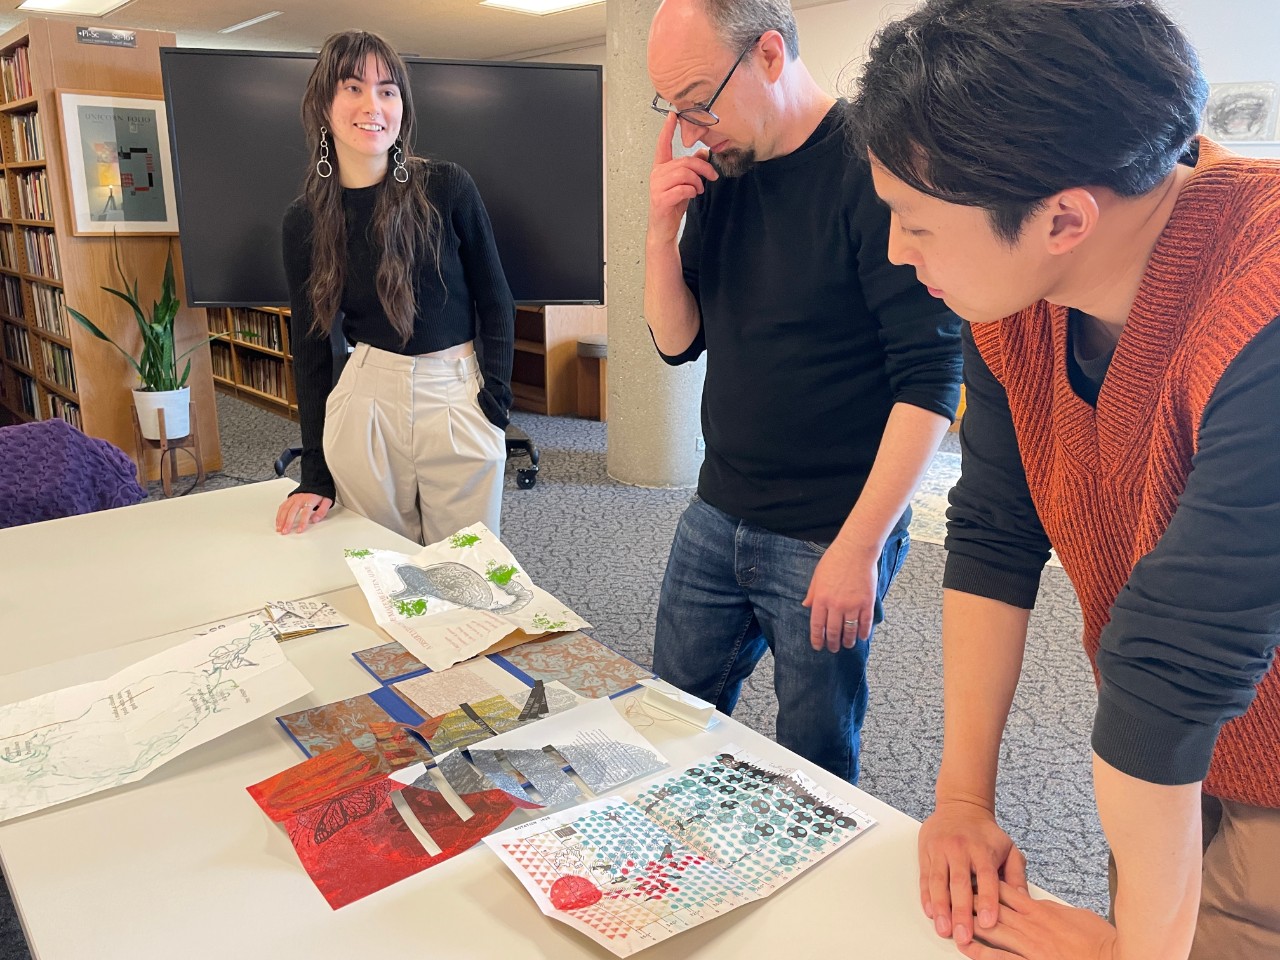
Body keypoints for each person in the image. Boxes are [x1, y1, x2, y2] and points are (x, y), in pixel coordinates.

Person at [847, 1, 1280, 958]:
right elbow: (997, 530)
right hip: (1167, 747)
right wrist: (962, 799)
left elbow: (1177, 655)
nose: (895, 250)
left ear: (1065, 217)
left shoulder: (1263, 293)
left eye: (913, 222)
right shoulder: (1018, 300)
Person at [644, 0, 963, 784]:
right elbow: (678, 340)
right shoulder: (723, 169)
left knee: (814, 762)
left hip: (830, 530)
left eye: (697, 100)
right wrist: (658, 231)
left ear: (770, 55)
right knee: (667, 724)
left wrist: (860, 549)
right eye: (674, 109)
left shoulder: (876, 169)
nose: (690, 126)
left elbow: (930, 384)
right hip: (717, 507)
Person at [275, 30, 514, 545]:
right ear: (323, 102)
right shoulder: (304, 222)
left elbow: (495, 301)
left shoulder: (448, 186)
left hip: (455, 392)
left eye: (388, 90)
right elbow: (312, 347)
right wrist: (315, 472)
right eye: (353, 88)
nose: (373, 105)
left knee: (471, 567)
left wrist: (495, 400)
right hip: (367, 399)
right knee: (386, 569)